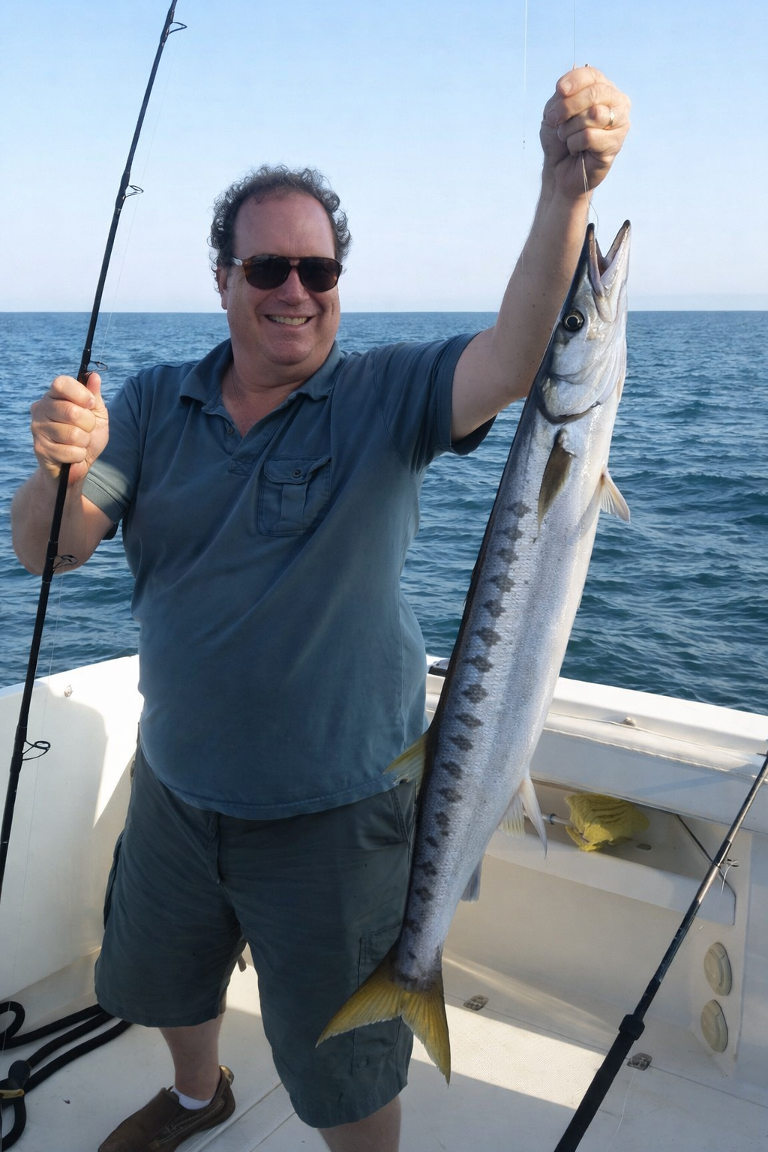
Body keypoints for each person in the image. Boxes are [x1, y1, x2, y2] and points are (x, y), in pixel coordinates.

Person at [12, 66, 629, 1152]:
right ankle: (197, 1096)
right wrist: (57, 466)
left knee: (346, 1074)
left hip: (341, 816)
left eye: (318, 268)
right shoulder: (149, 405)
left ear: (338, 281)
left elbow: (515, 357)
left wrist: (563, 190)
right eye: (268, 266)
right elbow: (49, 550)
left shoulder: (388, 395)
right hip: (178, 793)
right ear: (223, 278)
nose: (294, 289)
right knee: (167, 981)